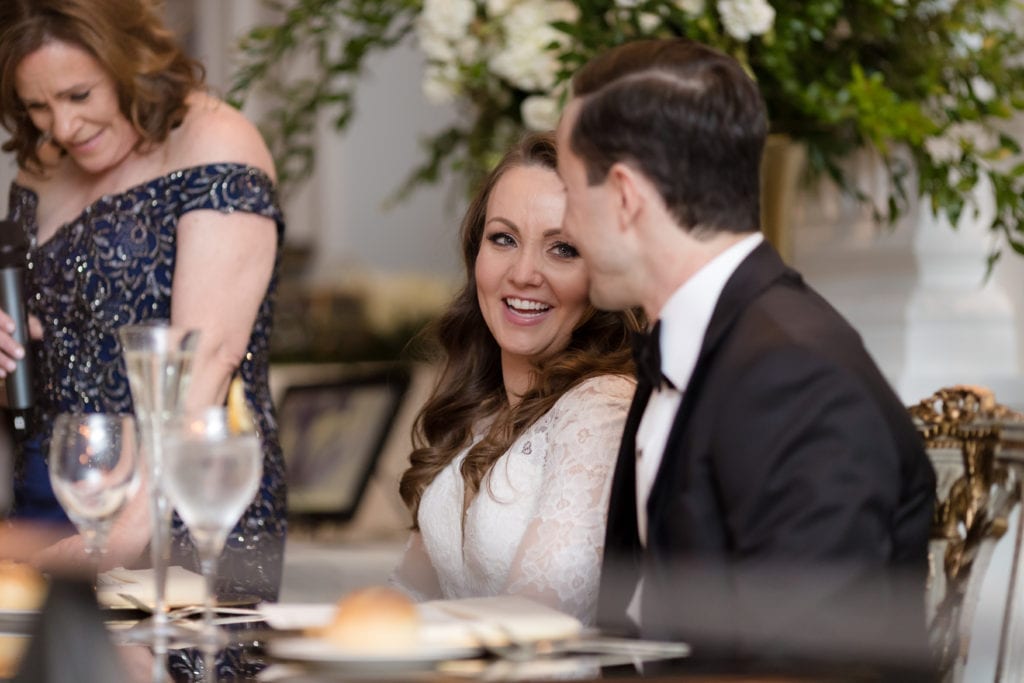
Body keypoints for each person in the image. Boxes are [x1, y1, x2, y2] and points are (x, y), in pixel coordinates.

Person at [555, 38, 937, 665]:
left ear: (625, 196)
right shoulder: (692, 346)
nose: (567, 226)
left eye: (571, 194)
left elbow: (812, 665)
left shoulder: (797, 378)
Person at [0, 0, 286, 601]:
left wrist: (132, 527)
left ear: (131, 62)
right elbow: (40, 354)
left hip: (187, 497)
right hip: (53, 484)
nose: (63, 127)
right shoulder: (39, 173)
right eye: (38, 106)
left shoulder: (216, 143)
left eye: (79, 95)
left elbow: (209, 357)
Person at [390, 132, 641, 625]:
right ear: (475, 254)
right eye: (503, 238)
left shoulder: (602, 407)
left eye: (563, 248)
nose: (524, 273)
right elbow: (408, 593)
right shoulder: (482, 407)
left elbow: (534, 620)